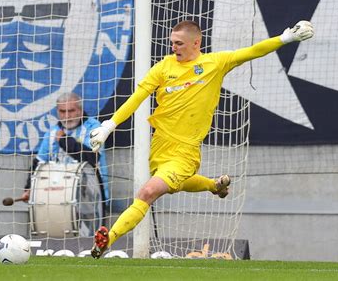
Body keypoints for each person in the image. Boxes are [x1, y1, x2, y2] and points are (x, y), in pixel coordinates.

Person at [88, 20, 314, 258]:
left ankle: (106, 240)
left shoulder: (214, 64)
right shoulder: (163, 67)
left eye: (179, 43)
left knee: (147, 192)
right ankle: (213, 185)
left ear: (196, 42)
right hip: (159, 147)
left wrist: (286, 38)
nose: (174, 47)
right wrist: (108, 126)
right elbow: (137, 97)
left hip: (185, 152)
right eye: (172, 43)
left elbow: (251, 52)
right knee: (174, 185)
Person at [21, 92, 109, 203]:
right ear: (57, 112)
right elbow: (39, 163)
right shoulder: (52, 132)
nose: (67, 116)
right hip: (58, 196)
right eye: (62, 111)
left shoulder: (94, 127)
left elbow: (92, 157)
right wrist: (29, 188)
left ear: (80, 111)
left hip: (91, 197)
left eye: (71, 111)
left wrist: (64, 140)